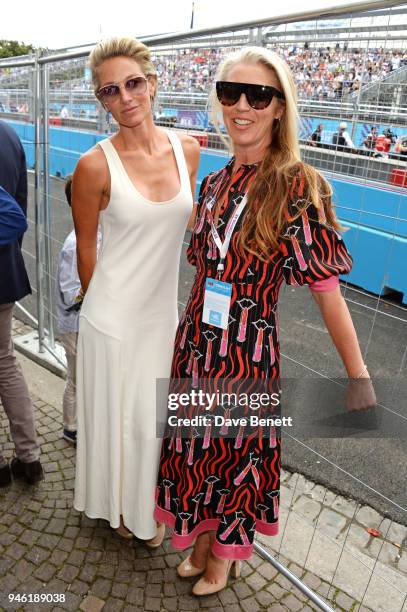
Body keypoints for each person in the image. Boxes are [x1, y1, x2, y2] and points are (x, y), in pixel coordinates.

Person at [154, 46, 375, 596]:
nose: (242, 105)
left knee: (235, 455)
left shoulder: (299, 184)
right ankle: (202, 541)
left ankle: (224, 558)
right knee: (195, 446)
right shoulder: (215, 180)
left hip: (247, 353)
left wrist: (358, 373)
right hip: (197, 345)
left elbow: (327, 290)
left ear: (280, 107)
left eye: (259, 94)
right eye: (231, 93)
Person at [72, 37, 200, 543]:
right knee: (120, 423)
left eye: (133, 83)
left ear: (152, 82)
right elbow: (87, 251)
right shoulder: (94, 165)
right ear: (101, 100)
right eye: (110, 90)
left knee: (150, 424)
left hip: (160, 318)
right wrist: (102, 314)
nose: (125, 97)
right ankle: (119, 509)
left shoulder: (187, 150)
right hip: (112, 317)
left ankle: (144, 507)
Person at [0, 120, 44, 487]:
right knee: (6, 361)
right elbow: (20, 212)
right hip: (5, 270)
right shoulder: (10, 133)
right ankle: (29, 458)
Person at [56, 176, 101, 446]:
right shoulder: (75, 244)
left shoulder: (93, 235)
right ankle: (70, 426)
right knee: (77, 378)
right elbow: (71, 290)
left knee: (84, 377)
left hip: (83, 323)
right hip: (75, 325)